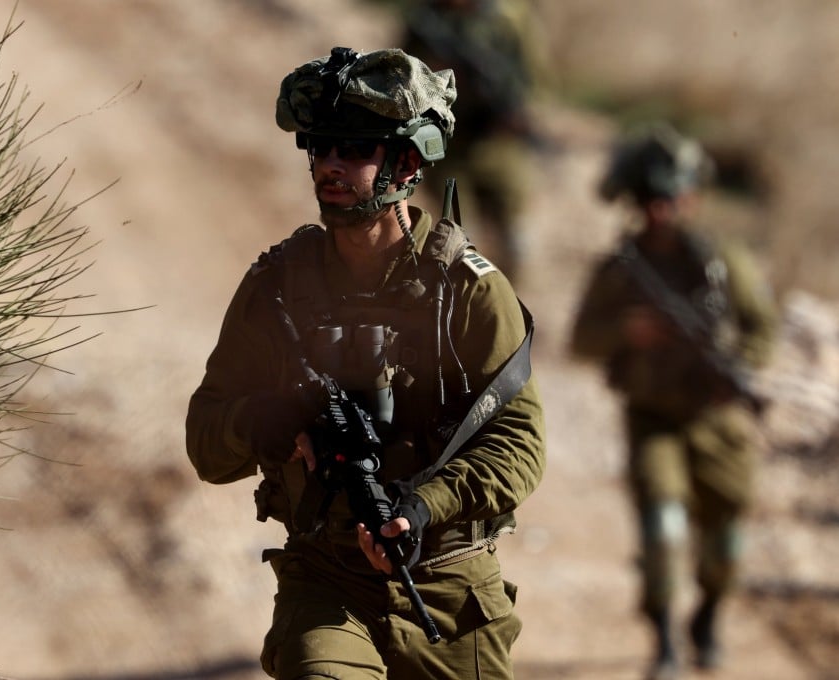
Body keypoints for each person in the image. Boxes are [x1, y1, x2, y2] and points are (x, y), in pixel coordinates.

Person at [185, 46, 545, 679]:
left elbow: (518, 446)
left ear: (406, 162)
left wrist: (424, 504)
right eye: (319, 149)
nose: (329, 165)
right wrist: (261, 420)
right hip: (325, 583)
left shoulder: (467, 290)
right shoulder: (276, 286)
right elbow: (206, 442)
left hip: (449, 592)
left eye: (353, 149)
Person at [568, 123, 778, 680]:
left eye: (671, 199)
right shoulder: (622, 268)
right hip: (652, 417)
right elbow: (579, 339)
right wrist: (625, 330)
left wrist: (738, 371)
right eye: (651, 202)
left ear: (692, 197)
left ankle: (707, 614)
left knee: (725, 543)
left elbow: (761, 328)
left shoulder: (722, 261)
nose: (662, 212)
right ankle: (663, 637)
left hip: (718, 420)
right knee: (662, 529)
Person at [392, 0, 552, 283]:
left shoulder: (504, 21)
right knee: (455, 233)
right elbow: (401, 80)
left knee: (514, 237)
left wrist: (516, 109)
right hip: (446, 143)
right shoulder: (425, 23)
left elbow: (528, 75)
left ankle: (508, 301)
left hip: (497, 141)